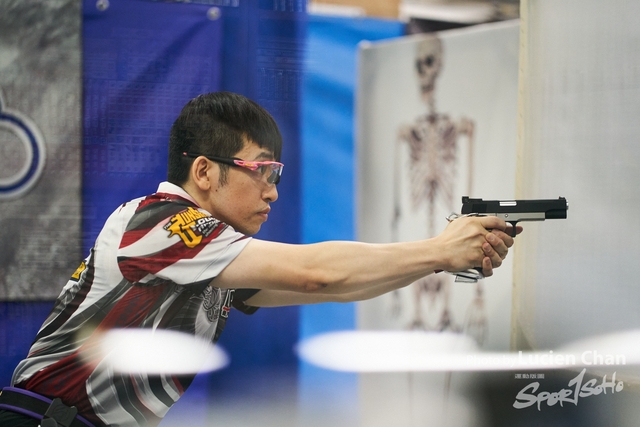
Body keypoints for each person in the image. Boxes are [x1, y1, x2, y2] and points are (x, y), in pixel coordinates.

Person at [0, 92, 519, 427]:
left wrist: (440, 259)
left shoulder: (212, 260)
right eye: (262, 171)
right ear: (204, 171)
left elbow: (338, 286)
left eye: (277, 174)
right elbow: (317, 274)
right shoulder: (161, 222)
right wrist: (439, 248)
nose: (272, 192)